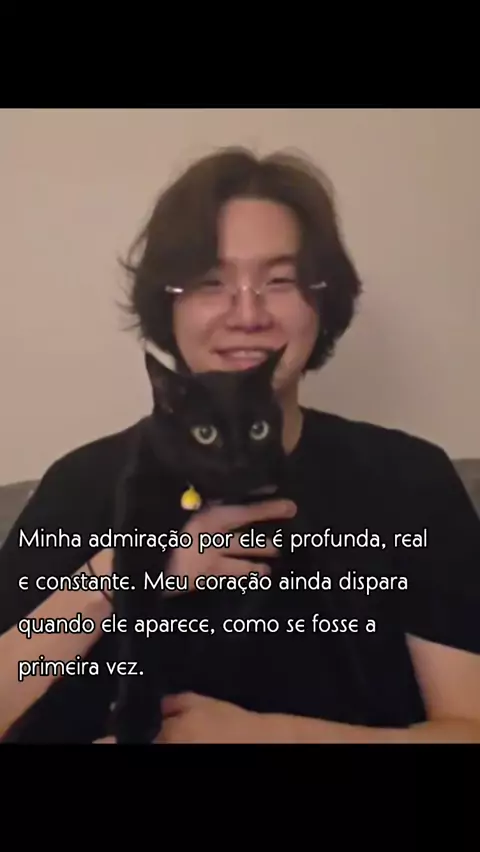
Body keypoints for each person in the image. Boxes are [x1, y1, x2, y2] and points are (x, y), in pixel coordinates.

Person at [1, 147, 480, 744]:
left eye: (279, 280)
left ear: (323, 300)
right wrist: (133, 571)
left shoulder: (410, 480)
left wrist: (268, 737)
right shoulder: (84, 483)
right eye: (211, 282)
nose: (247, 313)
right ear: (168, 305)